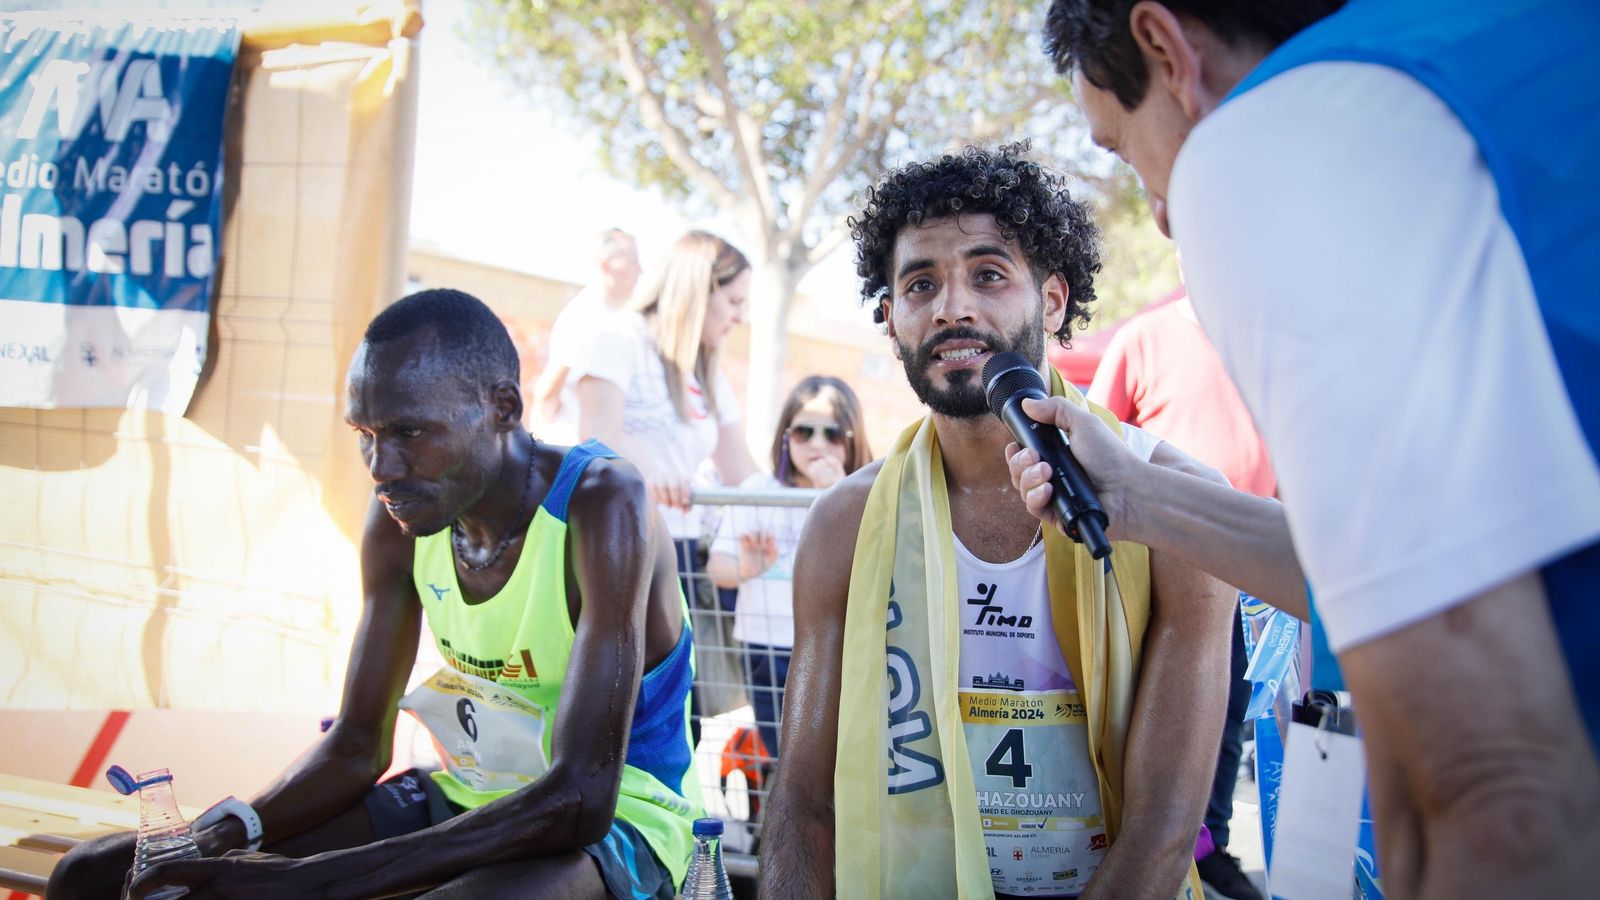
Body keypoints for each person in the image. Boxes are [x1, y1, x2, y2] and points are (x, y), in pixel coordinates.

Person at [1031, 1, 1600, 895]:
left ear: (1165, 49)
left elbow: (1498, 796)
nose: (1163, 217)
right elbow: (1419, 554)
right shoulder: (1480, 54)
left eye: (1125, 151)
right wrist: (1142, 498)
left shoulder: (1265, 142)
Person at [48, 289, 699, 900]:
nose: (381, 468)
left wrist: (303, 881)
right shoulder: (403, 513)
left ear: (503, 407)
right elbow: (357, 746)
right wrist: (226, 833)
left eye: (409, 433)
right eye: (365, 435)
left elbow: (580, 797)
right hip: (471, 798)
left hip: (621, 818)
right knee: (94, 873)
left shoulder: (603, 502)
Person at [759, 144, 1236, 900]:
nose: (952, 306)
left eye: (988, 274)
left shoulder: (1174, 507)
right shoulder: (844, 526)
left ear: (1052, 301)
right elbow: (803, 800)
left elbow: (1164, 828)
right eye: (921, 284)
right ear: (891, 322)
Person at [1087, 291, 1271, 900]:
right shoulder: (1141, 339)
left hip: (1262, 575)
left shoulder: (1272, 336)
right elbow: (1091, 428)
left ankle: (1208, 842)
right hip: (1163, 569)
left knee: (1233, 716)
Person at [571, 230, 760, 740]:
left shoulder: (705, 368)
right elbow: (592, 447)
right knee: (618, 711)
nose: (740, 317)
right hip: (619, 550)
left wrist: (824, 504)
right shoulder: (616, 339)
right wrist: (646, 478)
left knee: (681, 716)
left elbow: (744, 470)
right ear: (699, 290)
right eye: (734, 301)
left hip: (680, 556)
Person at [707, 375, 874, 759]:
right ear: (786, 436)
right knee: (785, 755)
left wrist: (837, 495)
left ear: (852, 439)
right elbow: (718, 568)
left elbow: (872, 569)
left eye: (832, 433)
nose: (817, 444)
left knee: (832, 757)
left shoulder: (866, 493)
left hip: (837, 644)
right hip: (765, 645)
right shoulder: (759, 490)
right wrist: (747, 566)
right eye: (803, 431)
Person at [530, 228, 643, 443]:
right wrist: (547, 448)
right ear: (605, 265)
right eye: (633, 262)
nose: (640, 270)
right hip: (578, 446)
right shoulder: (585, 316)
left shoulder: (626, 316)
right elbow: (547, 393)